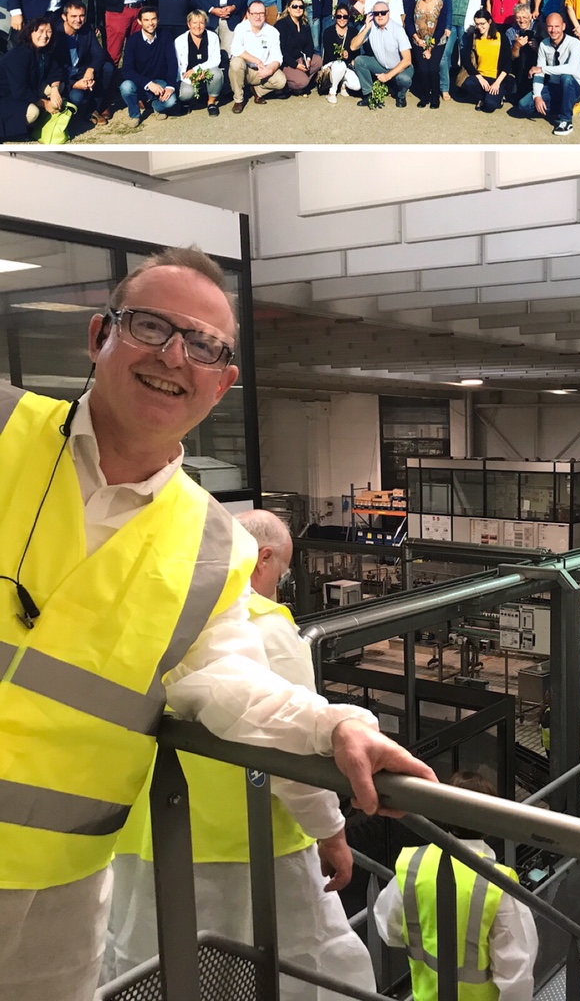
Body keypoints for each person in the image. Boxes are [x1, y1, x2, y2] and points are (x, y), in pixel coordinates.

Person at [0, 247, 436, 1000]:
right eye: (149, 326)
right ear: (100, 334)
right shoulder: (5, 430)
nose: (175, 355)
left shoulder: (211, 544)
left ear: (224, 382)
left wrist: (336, 728)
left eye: (204, 345)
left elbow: (227, 678)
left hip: (64, 877)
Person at [105, 509, 378, 1001]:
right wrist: (330, 832)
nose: (283, 583)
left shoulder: (156, 615)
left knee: (163, 974)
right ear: (263, 558)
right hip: (254, 848)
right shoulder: (270, 630)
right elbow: (290, 748)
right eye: (284, 570)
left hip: (150, 840)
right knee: (305, 970)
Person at [375, 771, 538, 1001]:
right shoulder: (498, 884)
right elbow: (517, 973)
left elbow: (388, 929)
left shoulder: (413, 865)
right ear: (490, 822)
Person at [513, 13, 580, 136]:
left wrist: (543, 69)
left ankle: (566, 120)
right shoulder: (544, 44)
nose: (553, 30)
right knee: (523, 105)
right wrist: (537, 96)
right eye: (550, 26)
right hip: (554, 86)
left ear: (563, 26)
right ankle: (562, 109)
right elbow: (539, 75)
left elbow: (571, 69)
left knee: (566, 77)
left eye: (557, 26)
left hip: (575, 88)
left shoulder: (574, 43)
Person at [0, 16, 66, 141]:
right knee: (32, 112)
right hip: (6, 95)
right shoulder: (20, 54)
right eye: (40, 31)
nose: (45, 35)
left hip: (27, 88)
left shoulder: (45, 51)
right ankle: (17, 131)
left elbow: (56, 72)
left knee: (57, 87)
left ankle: (39, 122)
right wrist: (45, 104)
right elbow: (19, 90)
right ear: (30, 33)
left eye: (49, 32)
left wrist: (55, 89)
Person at [53, 0, 112, 128]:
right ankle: (67, 112)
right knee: (77, 98)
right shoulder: (56, 35)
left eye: (81, 16)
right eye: (73, 16)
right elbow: (53, 69)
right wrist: (73, 84)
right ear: (64, 17)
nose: (78, 20)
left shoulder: (86, 29)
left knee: (107, 68)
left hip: (81, 72)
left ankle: (93, 109)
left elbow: (99, 53)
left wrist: (90, 70)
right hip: (63, 79)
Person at [118, 6, 180, 125]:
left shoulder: (165, 36)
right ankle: (135, 115)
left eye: (153, 19)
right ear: (139, 22)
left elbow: (172, 62)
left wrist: (171, 86)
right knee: (126, 87)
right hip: (140, 83)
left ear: (158, 20)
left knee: (171, 101)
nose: (150, 23)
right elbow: (127, 70)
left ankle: (156, 106)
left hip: (160, 82)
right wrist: (148, 83)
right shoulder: (133, 40)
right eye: (146, 20)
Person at [228, 0, 287, 112]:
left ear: (265, 14)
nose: (258, 17)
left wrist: (270, 70)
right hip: (245, 70)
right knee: (236, 63)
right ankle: (239, 100)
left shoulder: (273, 32)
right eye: (254, 13)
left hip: (263, 71)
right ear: (248, 14)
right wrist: (257, 61)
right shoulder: (240, 28)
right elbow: (236, 49)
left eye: (261, 13)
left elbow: (277, 57)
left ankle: (258, 91)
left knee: (281, 81)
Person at [351, 3, 412, 109]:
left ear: (389, 13)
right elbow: (353, 47)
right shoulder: (371, 26)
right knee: (359, 60)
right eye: (376, 13)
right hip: (381, 64)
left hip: (400, 67)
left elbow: (407, 60)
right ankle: (368, 95)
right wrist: (366, 29)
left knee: (404, 79)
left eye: (383, 13)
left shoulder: (398, 30)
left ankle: (400, 96)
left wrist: (388, 76)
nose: (380, 16)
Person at [455, 10, 512, 113]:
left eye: (482, 24)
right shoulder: (474, 37)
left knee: (490, 106)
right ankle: (483, 97)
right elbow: (466, 60)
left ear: (489, 21)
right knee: (468, 83)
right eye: (477, 24)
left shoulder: (501, 37)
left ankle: (494, 97)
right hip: (481, 76)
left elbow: (508, 64)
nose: (479, 27)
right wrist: (480, 78)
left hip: (497, 77)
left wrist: (497, 83)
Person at [443, 0, 482, 95]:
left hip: (466, 22)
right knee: (445, 54)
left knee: (465, 55)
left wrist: (473, 25)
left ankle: (463, 85)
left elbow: (476, 3)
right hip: (450, 22)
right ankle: (445, 87)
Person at [407, 0, 448, 109]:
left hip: (436, 42)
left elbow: (441, 27)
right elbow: (408, 22)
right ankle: (425, 96)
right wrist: (417, 39)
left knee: (433, 69)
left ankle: (435, 96)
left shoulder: (441, 3)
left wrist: (429, 48)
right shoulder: (414, 1)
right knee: (423, 69)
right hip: (418, 40)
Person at [175, 9, 224, 116]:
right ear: (188, 24)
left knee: (217, 74)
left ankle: (211, 103)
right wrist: (191, 77)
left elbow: (216, 60)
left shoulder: (213, 37)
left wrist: (198, 70)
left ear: (206, 23)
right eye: (194, 23)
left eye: (201, 23)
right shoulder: (179, 40)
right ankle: (187, 102)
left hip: (206, 72)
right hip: (188, 76)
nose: (198, 26)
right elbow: (178, 66)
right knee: (186, 94)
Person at [278, 0, 322, 95]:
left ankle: (300, 79)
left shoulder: (304, 23)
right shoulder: (282, 25)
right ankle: (289, 85)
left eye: (301, 6)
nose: (298, 9)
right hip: (287, 63)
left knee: (318, 60)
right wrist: (296, 65)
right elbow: (281, 50)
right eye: (295, 6)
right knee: (303, 82)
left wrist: (309, 58)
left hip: (300, 59)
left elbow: (309, 44)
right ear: (289, 8)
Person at [319, 5, 363, 103]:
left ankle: (343, 84)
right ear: (335, 17)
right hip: (331, 65)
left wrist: (349, 56)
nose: (342, 19)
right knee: (340, 64)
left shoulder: (353, 32)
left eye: (345, 17)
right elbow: (329, 54)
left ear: (348, 18)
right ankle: (332, 92)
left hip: (346, 65)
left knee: (357, 86)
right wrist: (342, 55)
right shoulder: (328, 32)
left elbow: (356, 53)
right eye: (339, 16)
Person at [504, 4, 538, 107]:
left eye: (524, 17)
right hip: (518, 67)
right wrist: (517, 46)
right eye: (518, 17)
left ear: (530, 16)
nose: (521, 20)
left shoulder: (539, 28)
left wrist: (537, 47)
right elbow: (512, 57)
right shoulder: (510, 32)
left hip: (536, 63)